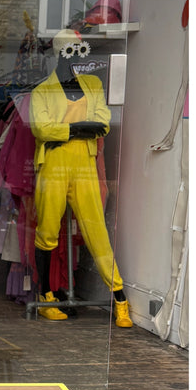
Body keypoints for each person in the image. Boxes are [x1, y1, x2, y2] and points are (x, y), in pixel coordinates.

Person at [29, 28, 133, 327]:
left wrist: (66, 130)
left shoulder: (93, 84)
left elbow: (103, 123)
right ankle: (46, 296)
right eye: (68, 50)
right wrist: (79, 128)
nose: (74, 55)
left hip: (84, 164)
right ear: (58, 53)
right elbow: (41, 129)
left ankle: (119, 296)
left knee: (96, 230)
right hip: (53, 164)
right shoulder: (42, 91)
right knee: (47, 230)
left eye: (78, 49)